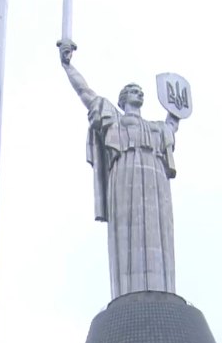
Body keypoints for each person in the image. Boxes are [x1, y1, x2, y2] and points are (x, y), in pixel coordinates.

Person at [60, 41, 183, 299]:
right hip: (124, 174)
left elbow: (174, 120)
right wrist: (68, 65)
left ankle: (162, 290)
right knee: (127, 231)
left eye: (140, 90)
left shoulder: (157, 129)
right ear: (122, 98)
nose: (138, 92)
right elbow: (86, 93)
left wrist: (178, 107)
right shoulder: (112, 117)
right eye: (132, 89)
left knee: (159, 230)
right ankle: (128, 293)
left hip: (156, 179)